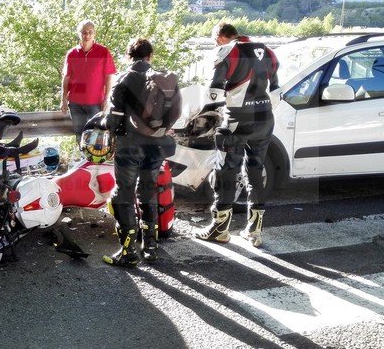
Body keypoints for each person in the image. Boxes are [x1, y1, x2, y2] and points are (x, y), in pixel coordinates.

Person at [193, 22, 279, 247]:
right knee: (255, 170)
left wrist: (205, 119)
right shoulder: (268, 51)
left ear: (220, 37)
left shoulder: (227, 51)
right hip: (266, 118)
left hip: (237, 121)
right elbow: (276, 92)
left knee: (226, 171)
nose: (215, 44)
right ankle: (255, 231)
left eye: (214, 40)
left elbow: (212, 95)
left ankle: (220, 230)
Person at [98, 38, 181, 267]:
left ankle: (128, 253)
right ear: (150, 56)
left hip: (130, 147)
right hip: (156, 146)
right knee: (148, 192)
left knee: (123, 194)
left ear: (128, 56)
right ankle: (150, 248)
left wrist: (105, 123)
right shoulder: (162, 79)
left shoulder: (124, 80)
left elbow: (113, 121)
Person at [60, 20, 117, 144]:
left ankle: (93, 160)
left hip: (95, 101)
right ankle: (82, 159)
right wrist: (63, 99)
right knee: (79, 133)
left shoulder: (103, 52)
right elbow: (67, 77)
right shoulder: (72, 53)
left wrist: (107, 98)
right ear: (79, 34)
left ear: (94, 33)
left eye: (90, 32)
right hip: (75, 102)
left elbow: (109, 76)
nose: (87, 35)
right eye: (83, 32)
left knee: (95, 135)